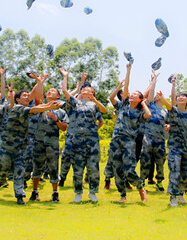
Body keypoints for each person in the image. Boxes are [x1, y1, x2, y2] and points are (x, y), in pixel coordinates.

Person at [0, 78, 61, 205]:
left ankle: (20, 195)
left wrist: (49, 105)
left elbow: (38, 107)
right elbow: (36, 109)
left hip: (20, 147)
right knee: (2, 170)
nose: (28, 98)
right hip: (7, 146)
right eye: (24, 96)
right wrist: (49, 106)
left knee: (19, 171)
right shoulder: (17, 108)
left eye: (28, 96)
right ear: (17, 99)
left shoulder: (28, 109)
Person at [60, 68, 107, 203]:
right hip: (77, 139)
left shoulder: (94, 104)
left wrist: (95, 100)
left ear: (93, 93)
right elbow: (64, 91)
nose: (86, 90)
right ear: (81, 91)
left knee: (93, 167)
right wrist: (65, 76)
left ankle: (92, 192)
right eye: (85, 89)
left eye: (90, 90)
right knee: (78, 167)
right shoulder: (76, 103)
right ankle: (78, 192)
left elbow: (103, 110)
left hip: (92, 140)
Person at [109, 63, 151, 203]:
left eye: (135, 95)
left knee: (129, 170)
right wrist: (128, 70)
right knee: (117, 169)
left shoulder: (139, 112)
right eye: (131, 94)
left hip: (129, 141)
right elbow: (115, 95)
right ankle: (123, 195)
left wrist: (144, 103)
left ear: (139, 99)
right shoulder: (123, 105)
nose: (132, 95)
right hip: (116, 140)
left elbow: (148, 114)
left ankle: (140, 188)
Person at [156, 86, 187, 207]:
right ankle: (173, 196)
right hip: (175, 147)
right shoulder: (174, 111)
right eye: (179, 97)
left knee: (186, 172)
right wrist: (162, 98)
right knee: (175, 170)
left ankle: (180, 193)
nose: (181, 98)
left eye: (183, 97)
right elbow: (168, 106)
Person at [30, 74, 69, 202]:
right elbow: (37, 99)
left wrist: (55, 119)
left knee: (53, 167)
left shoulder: (61, 111)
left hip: (52, 143)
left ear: (57, 96)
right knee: (37, 166)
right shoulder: (42, 107)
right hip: (39, 141)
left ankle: (55, 193)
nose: (49, 92)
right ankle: (35, 191)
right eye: (48, 91)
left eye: (52, 91)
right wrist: (40, 82)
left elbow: (63, 128)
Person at [140, 72, 168, 192]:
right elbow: (150, 93)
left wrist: (168, 126)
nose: (157, 95)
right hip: (148, 137)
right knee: (145, 159)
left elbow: (169, 122)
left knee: (160, 161)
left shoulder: (165, 111)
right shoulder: (150, 105)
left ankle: (160, 181)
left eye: (159, 95)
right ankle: (141, 181)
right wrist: (154, 81)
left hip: (160, 139)